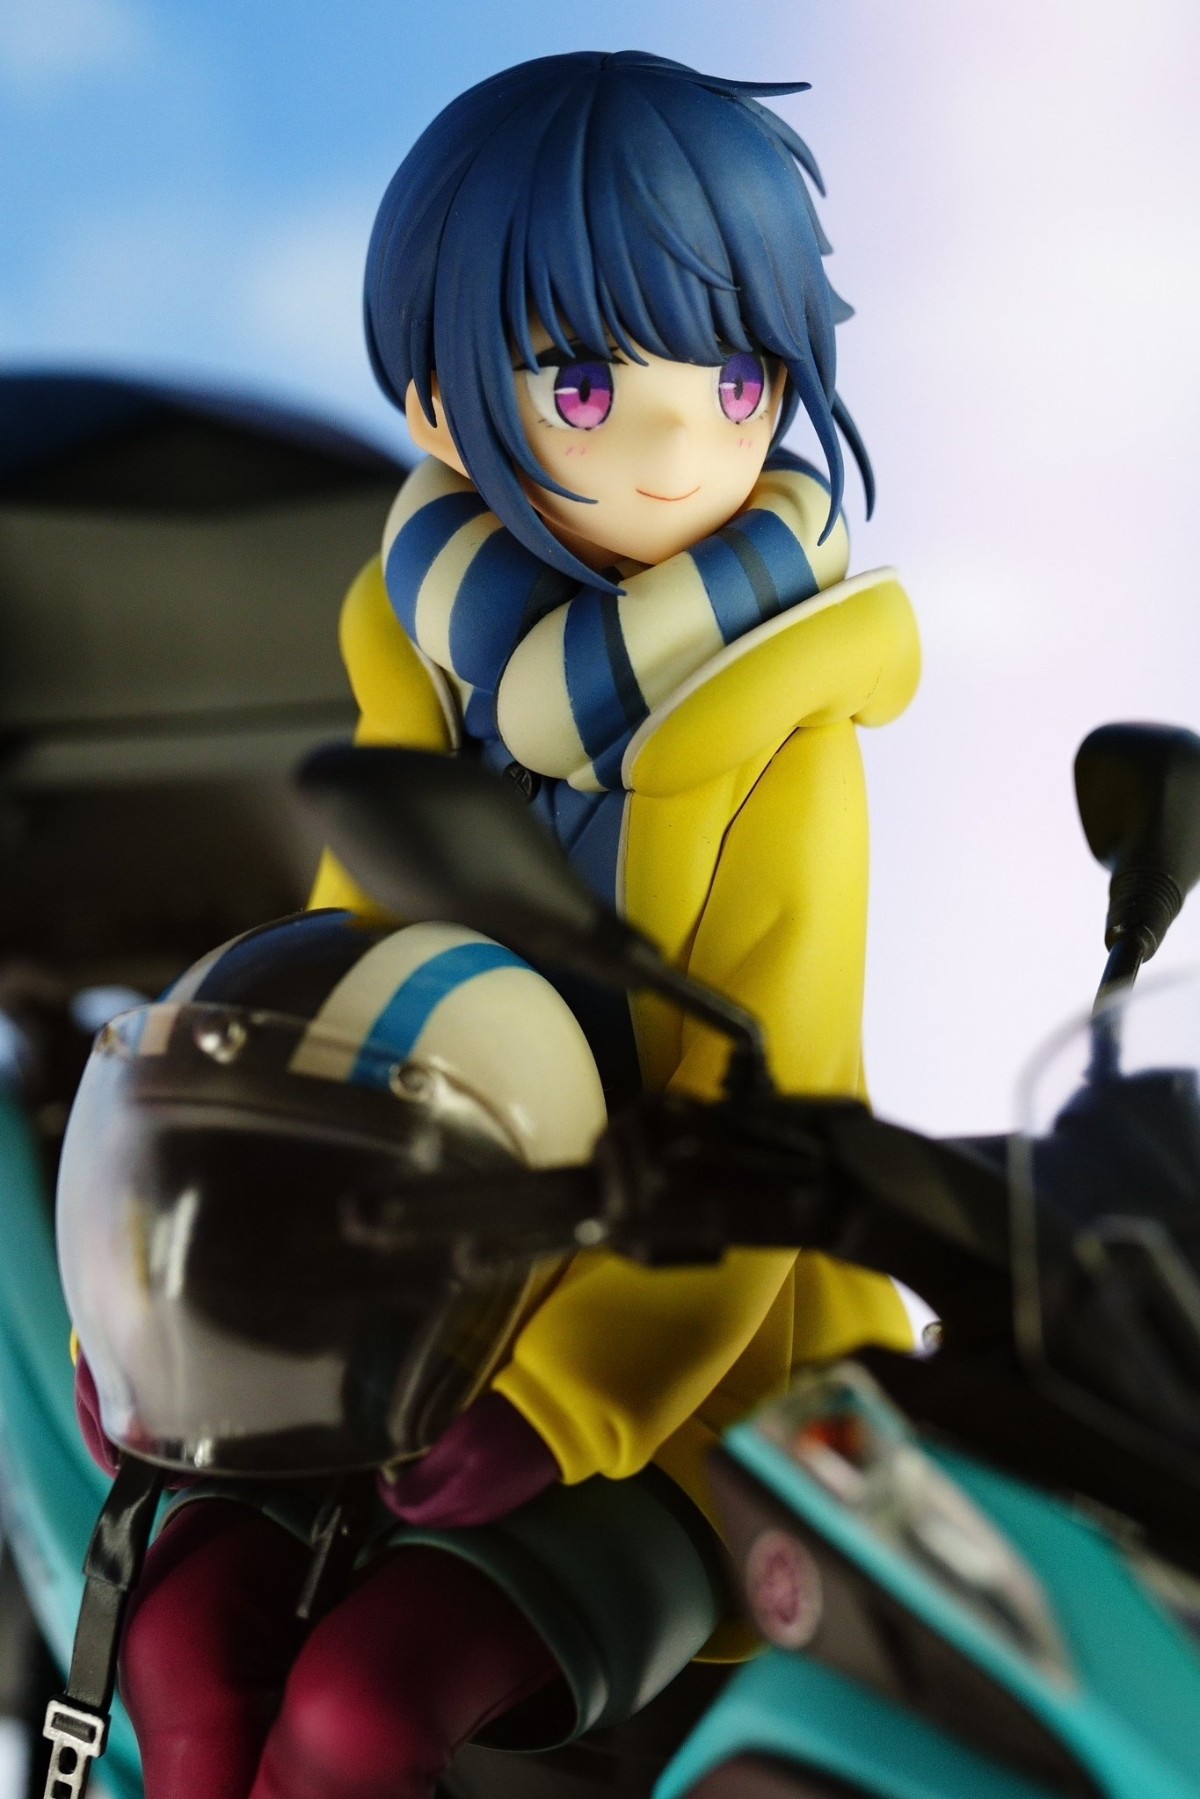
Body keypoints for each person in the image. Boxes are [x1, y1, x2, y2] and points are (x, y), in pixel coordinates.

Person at [102, 51, 922, 1799]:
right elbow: (337, 996)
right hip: (404, 1313)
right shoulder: (434, 649)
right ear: (434, 398)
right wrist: (177, 1327)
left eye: (737, 377)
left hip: (694, 1381)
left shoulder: (782, 736)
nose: (677, 443)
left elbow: (764, 1134)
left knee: (363, 1705)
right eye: (583, 384)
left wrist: (561, 1404)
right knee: (178, 1638)